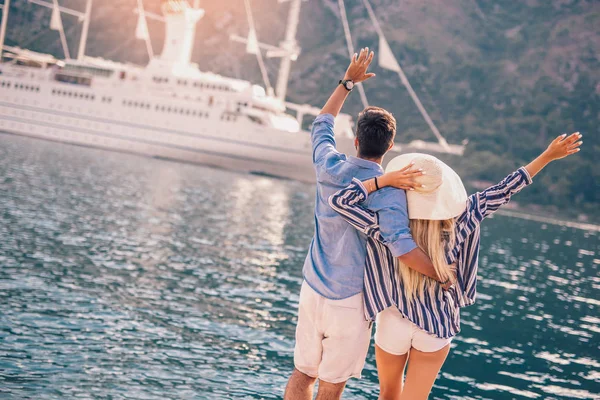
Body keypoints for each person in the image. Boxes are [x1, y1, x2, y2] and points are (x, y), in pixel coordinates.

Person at [328, 132, 583, 399]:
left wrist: (382, 182)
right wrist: (548, 156)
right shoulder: (464, 217)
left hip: (394, 317)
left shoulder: (389, 223)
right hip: (437, 325)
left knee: (388, 394)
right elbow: (505, 188)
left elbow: (341, 201)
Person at [284, 48, 450, 400]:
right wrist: (441, 273)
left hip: (312, 289)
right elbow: (403, 248)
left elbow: (322, 123)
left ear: (356, 140)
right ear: (389, 146)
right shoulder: (392, 193)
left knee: (302, 375)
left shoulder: (329, 166)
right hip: (351, 302)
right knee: (332, 386)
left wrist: (347, 82)